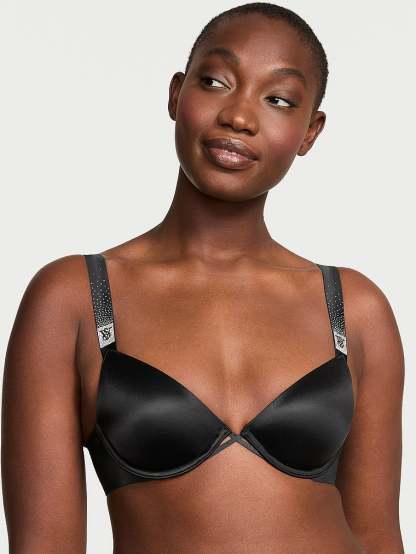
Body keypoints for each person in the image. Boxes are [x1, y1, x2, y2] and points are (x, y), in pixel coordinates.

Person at [1, 3, 405, 553]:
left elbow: (379, 538)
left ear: (309, 132)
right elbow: (43, 546)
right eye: (216, 82)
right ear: (176, 94)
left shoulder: (354, 309)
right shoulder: (76, 299)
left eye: (278, 100)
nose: (239, 116)